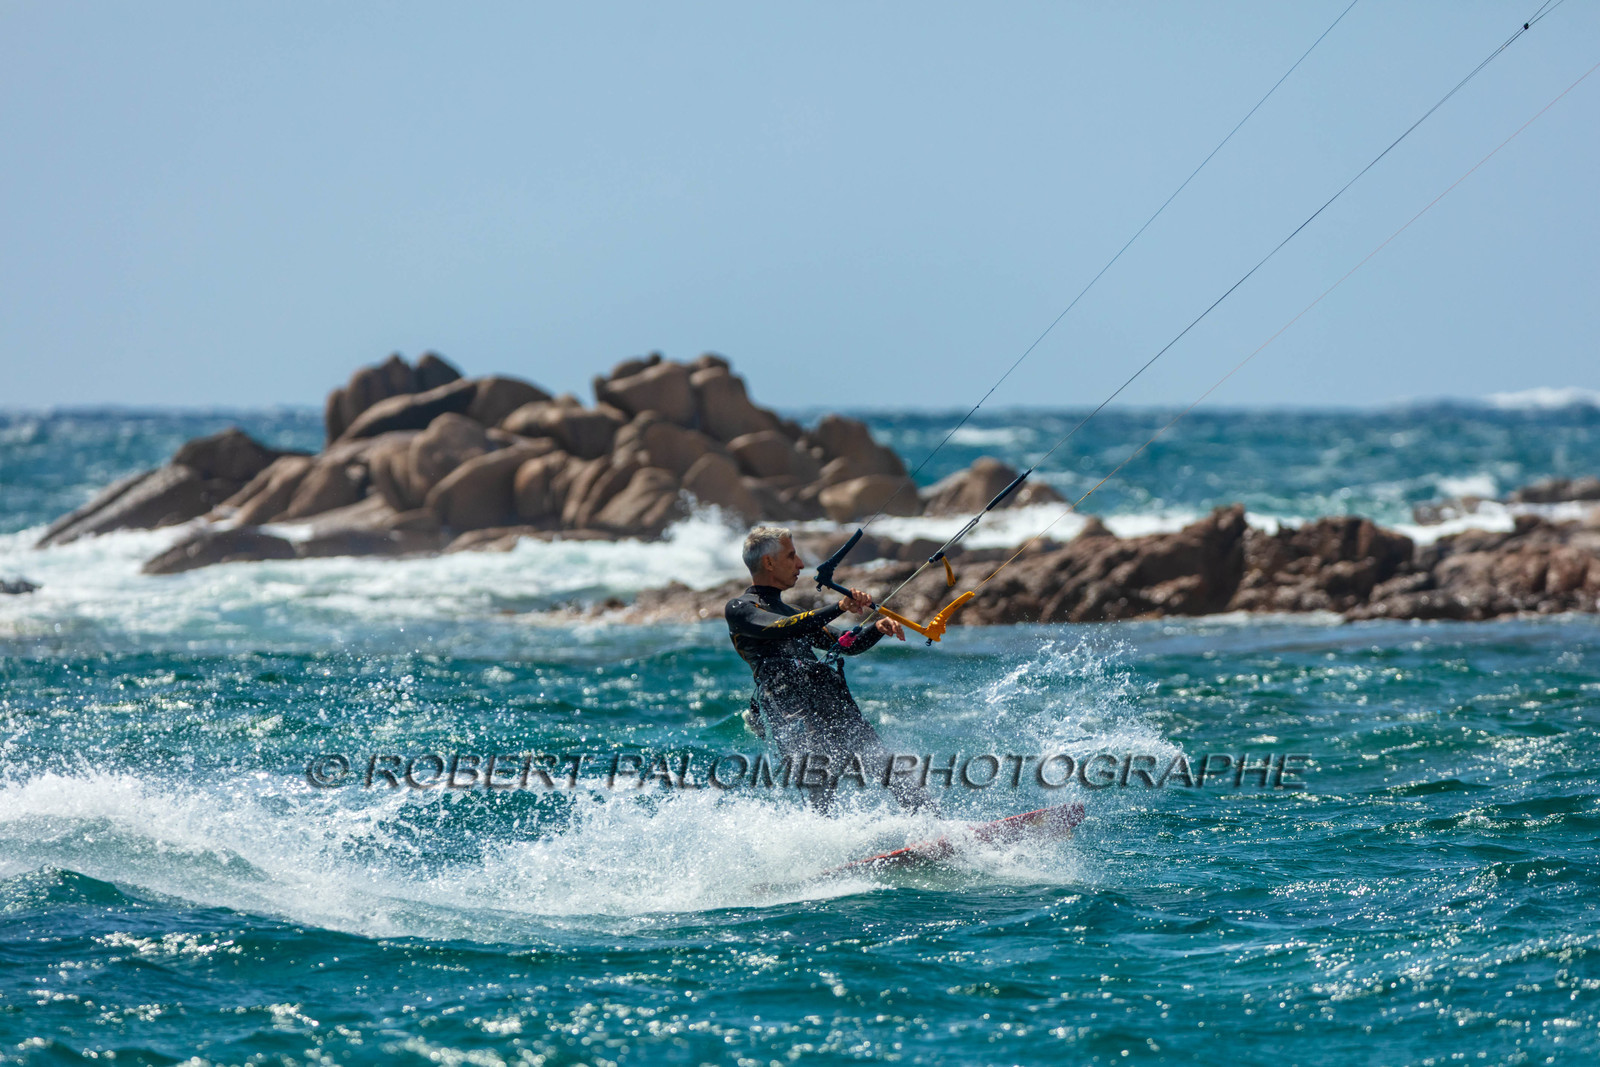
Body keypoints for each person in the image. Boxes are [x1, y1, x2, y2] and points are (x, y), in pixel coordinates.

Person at [726, 525, 934, 813]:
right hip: (789, 704)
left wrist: (877, 629)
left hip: (828, 695)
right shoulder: (740, 608)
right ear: (768, 562)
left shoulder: (795, 613)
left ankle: (934, 825)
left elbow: (845, 644)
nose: (800, 564)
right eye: (791, 556)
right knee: (819, 785)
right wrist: (840, 606)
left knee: (887, 765)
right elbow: (778, 628)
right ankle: (828, 850)